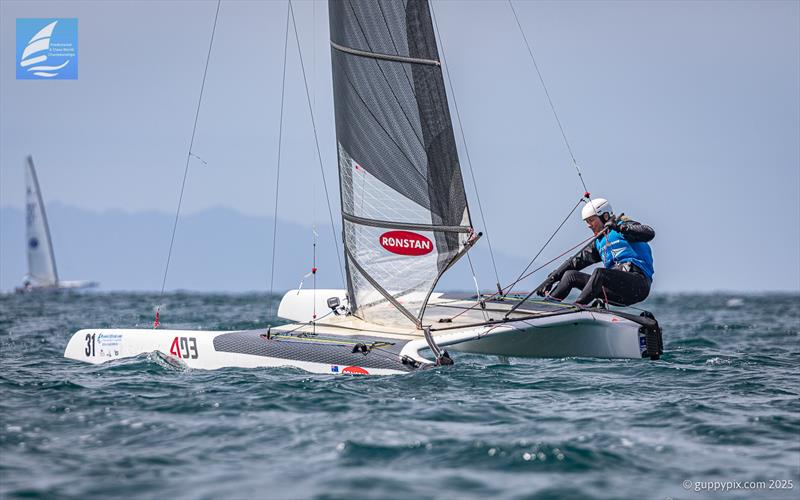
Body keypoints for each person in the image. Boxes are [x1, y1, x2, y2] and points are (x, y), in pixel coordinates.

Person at [534, 198, 655, 306]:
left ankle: (577, 307)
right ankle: (547, 306)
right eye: (587, 221)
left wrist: (620, 228)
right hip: (615, 291)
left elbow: (649, 233)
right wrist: (551, 279)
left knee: (599, 273)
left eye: (591, 220)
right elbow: (575, 262)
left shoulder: (623, 227)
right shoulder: (598, 242)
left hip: (638, 285)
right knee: (570, 275)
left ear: (605, 216)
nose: (588, 225)